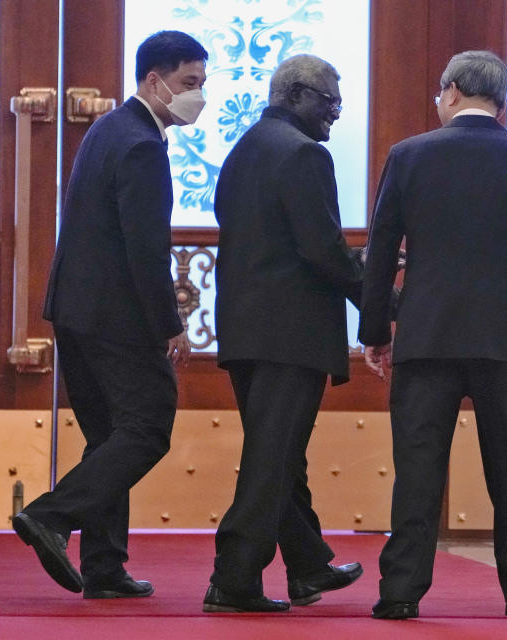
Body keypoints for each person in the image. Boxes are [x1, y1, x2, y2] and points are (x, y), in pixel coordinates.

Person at [358, 50, 507, 619]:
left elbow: (380, 253)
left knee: (419, 468)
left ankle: (400, 593)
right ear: (501, 100)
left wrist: (375, 330)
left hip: (427, 334)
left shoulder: (408, 156)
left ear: (450, 91)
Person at [11, 30, 207, 599]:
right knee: (147, 428)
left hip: (73, 309)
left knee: (108, 439)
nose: (198, 97)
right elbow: (144, 247)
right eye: (188, 83)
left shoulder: (108, 127)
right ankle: (51, 516)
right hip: (116, 317)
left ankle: (104, 567)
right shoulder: (143, 143)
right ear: (154, 80)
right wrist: (170, 323)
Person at [204, 54, 365, 613]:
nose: (336, 114)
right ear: (295, 94)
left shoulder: (244, 149)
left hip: (246, 331)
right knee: (272, 458)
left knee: (280, 453)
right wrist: (382, 303)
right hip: (291, 336)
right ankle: (234, 578)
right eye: (329, 101)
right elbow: (323, 249)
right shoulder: (303, 155)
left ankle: (307, 565)